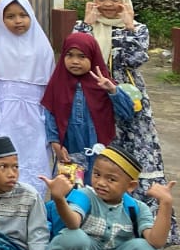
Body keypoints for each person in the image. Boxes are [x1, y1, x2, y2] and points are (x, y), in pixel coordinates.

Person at [74, 0, 175, 242]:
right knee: (103, 155)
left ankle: (146, 224)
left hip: (131, 101)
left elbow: (135, 58)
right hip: (96, 101)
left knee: (138, 154)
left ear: (125, 0)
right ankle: (101, 219)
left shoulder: (137, 29)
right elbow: (75, 54)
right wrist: (87, 25)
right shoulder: (84, 26)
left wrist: (129, 26)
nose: (108, 4)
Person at [41, 144, 173, 250]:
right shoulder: (85, 195)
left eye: (111, 179)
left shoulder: (136, 208)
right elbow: (73, 223)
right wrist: (59, 198)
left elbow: (156, 242)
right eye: (96, 174)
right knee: (73, 236)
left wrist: (166, 204)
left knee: (146, 249)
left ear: (131, 186)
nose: (101, 182)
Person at [0, 0, 54, 195]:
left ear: (31, 15)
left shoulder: (43, 48)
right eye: (10, 16)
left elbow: (49, 89)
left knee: (35, 157)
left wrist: (46, 119)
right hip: (5, 113)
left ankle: (35, 204)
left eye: (23, 15)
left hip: (35, 113)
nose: (17, 21)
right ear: (1, 19)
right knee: (5, 157)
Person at [42, 31, 136, 176]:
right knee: (70, 189)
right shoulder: (58, 84)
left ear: (93, 57)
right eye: (69, 55)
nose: (75, 61)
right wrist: (55, 142)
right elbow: (50, 115)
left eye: (82, 56)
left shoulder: (103, 84)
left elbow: (127, 113)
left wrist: (112, 90)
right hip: (69, 147)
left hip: (100, 147)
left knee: (98, 186)